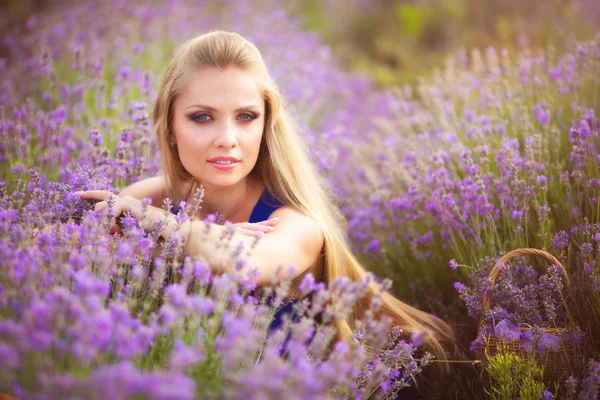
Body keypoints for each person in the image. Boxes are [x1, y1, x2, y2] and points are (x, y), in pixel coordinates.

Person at [75, 30, 454, 363]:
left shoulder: (297, 225)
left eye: (245, 116)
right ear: (170, 126)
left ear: (266, 124)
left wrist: (158, 226)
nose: (227, 137)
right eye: (202, 117)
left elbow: (244, 263)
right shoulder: (150, 197)